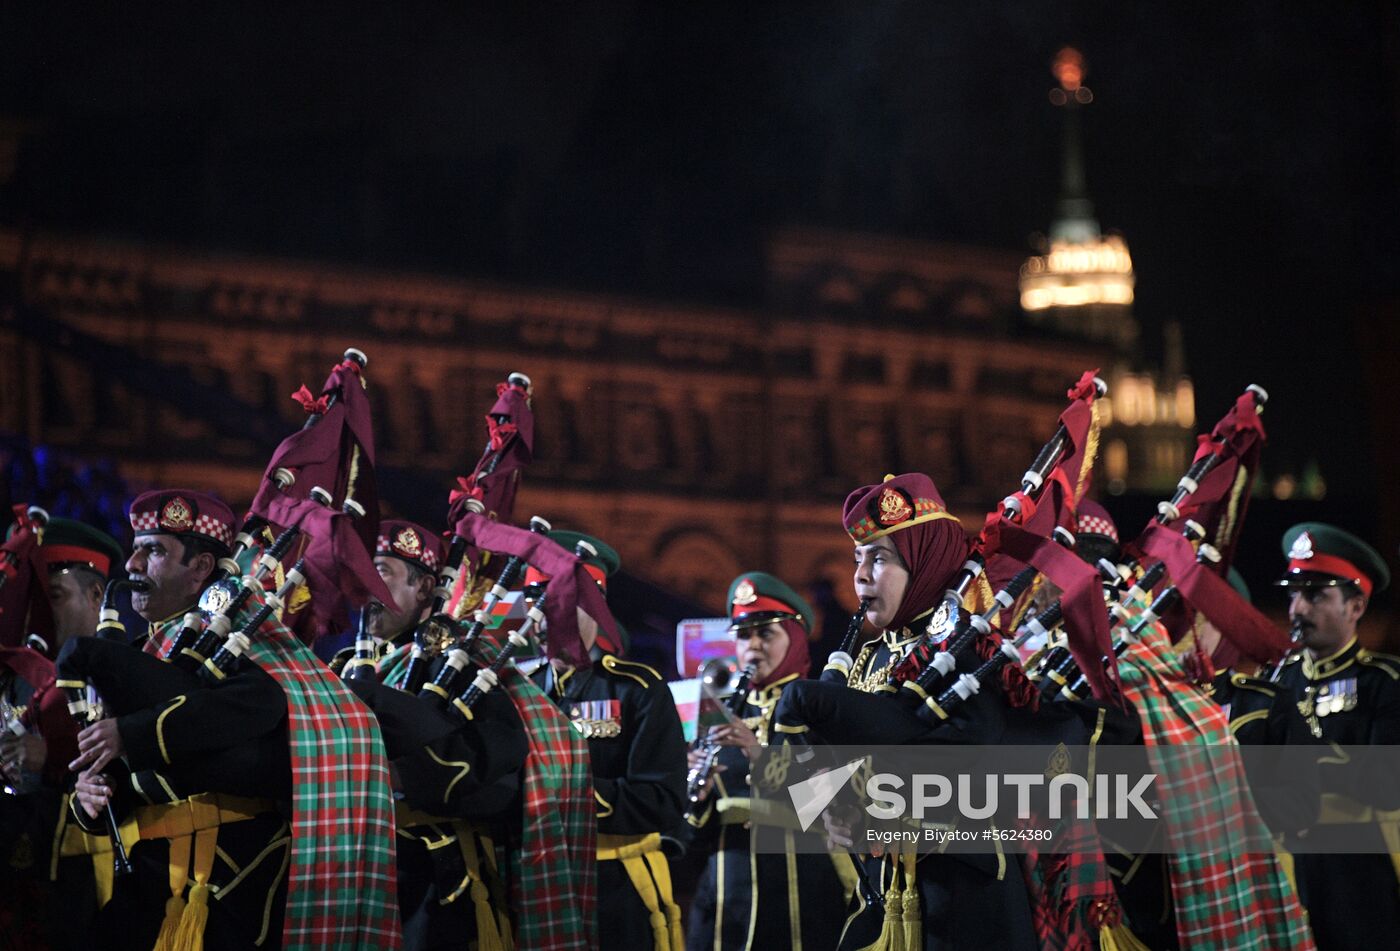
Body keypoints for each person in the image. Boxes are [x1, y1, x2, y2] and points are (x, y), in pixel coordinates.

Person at [59, 488, 400, 949]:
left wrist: (129, 733)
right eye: (136, 548)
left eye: (154, 550)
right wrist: (90, 798)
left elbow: (257, 707)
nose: (133, 566)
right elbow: (128, 788)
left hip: (234, 876)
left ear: (200, 569)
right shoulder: (143, 654)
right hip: (147, 876)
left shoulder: (249, 643)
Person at [337, 517, 530, 950]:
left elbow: (499, 774)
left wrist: (403, 776)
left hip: (436, 890)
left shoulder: (464, 664)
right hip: (356, 876)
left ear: (425, 589)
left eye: (381, 573)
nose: (366, 590)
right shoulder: (340, 668)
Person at [526, 529, 688, 951]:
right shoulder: (517, 689)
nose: (542, 617)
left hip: (614, 889)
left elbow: (662, 799)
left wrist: (563, 797)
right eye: (534, 603)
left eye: (556, 602)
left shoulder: (636, 689)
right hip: (534, 881)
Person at [685, 571, 855, 951]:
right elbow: (690, 839)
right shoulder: (720, 711)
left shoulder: (821, 708)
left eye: (767, 634)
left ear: (795, 637)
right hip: (725, 903)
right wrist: (696, 796)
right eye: (744, 636)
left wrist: (759, 755)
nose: (753, 647)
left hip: (804, 900)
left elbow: (831, 804)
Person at [1269, 522, 1400, 950]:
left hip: (1360, 873)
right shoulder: (1276, 682)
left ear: (1356, 606)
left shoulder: (1384, 683)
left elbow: (1386, 785)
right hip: (1287, 868)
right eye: (1293, 593)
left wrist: (1306, 762)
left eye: (1315, 596)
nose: (1297, 609)